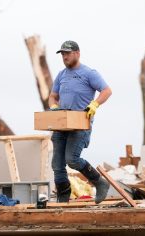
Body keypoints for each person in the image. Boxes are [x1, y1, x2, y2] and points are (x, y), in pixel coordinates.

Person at [48, 40, 112, 204]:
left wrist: (95, 104)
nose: (64, 57)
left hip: (80, 125)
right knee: (57, 164)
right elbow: (53, 96)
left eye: (67, 53)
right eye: (62, 54)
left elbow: (106, 90)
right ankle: (63, 196)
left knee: (72, 159)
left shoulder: (89, 73)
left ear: (77, 53)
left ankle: (99, 182)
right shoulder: (61, 75)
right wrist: (54, 106)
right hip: (62, 124)